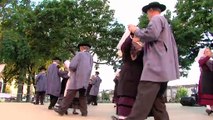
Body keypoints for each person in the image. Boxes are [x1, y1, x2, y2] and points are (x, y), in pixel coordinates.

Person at [126, 2, 180, 120]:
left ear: (150, 10)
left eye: (147, 13)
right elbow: (157, 43)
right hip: (163, 69)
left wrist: (136, 30)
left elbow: (151, 34)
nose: (147, 16)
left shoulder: (156, 19)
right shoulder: (165, 24)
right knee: (157, 103)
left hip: (154, 69)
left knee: (142, 98)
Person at [54, 43, 93, 117]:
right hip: (85, 80)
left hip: (76, 79)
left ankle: (61, 110)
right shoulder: (90, 57)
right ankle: (84, 112)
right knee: (82, 97)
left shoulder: (79, 54)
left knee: (69, 96)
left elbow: (72, 66)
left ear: (81, 48)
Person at [112, 31, 144, 120]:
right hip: (126, 80)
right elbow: (124, 46)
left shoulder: (143, 51)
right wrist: (132, 34)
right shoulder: (126, 53)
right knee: (125, 102)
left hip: (138, 80)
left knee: (135, 104)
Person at [196, 48, 213, 115]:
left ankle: (211, 108)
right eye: (206, 51)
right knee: (207, 93)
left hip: (211, 78)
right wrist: (208, 56)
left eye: (209, 51)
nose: (208, 52)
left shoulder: (211, 61)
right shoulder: (202, 59)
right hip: (205, 79)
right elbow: (201, 62)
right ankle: (208, 107)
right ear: (204, 53)